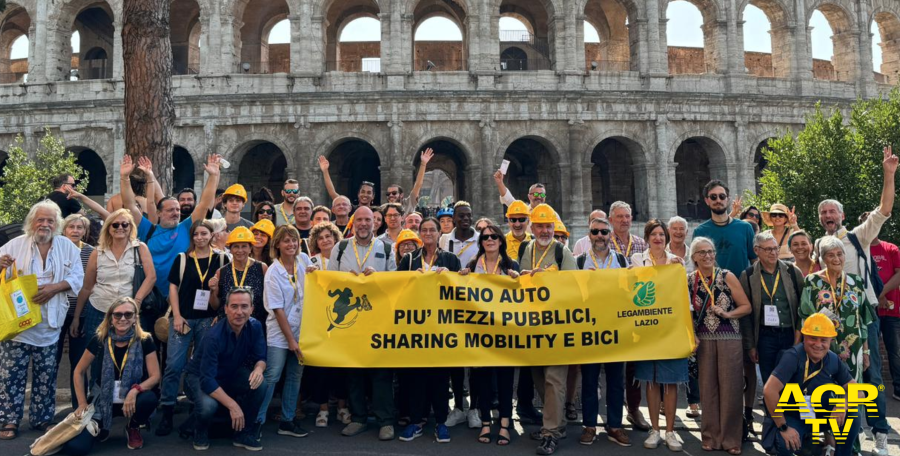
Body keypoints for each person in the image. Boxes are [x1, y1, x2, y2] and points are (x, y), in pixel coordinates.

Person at [0, 201, 84, 440]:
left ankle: (42, 419)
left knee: (46, 375)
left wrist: (55, 288)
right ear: (31, 222)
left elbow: (78, 276)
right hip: (18, 327)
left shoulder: (67, 247)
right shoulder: (15, 245)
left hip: (49, 325)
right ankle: (8, 419)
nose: (45, 224)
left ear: (56, 224)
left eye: (50, 221)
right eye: (40, 220)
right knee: (10, 376)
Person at [327, 206, 396, 440]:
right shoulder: (341, 247)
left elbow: (396, 284)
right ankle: (358, 418)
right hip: (351, 320)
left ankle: (385, 421)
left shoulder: (386, 249)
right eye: (360, 220)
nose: (364, 224)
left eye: (368, 220)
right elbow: (329, 282)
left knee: (381, 373)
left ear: (375, 223)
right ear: (353, 223)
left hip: (378, 320)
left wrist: (378, 278)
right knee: (354, 372)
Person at [156, 220, 229, 436]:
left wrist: (219, 316)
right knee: (173, 365)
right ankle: (167, 410)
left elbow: (225, 290)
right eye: (196, 234)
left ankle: (197, 405)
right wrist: (176, 315)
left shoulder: (222, 259)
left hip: (209, 320)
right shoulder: (182, 259)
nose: (200, 238)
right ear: (192, 237)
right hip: (184, 318)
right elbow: (173, 288)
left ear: (211, 235)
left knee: (202, 366)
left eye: (204, 233)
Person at [519, 204, 577, 455]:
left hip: (557, 326)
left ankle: (550, 432)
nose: (545, 230)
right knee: (539, 379)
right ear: (532, 228)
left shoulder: (563, 252)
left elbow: (573, 287)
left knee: (555, 379)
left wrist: (547, 278)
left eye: (548, 226)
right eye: (540, 225)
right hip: (532, 327)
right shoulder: (526, 248)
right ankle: (557, 423)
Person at [67, 297, 160, 454]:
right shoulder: (99, 339)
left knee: (149, 399)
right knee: (76, 448)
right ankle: (102, 426)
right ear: (110, 318)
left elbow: (155, 376)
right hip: (103, 398)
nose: (123, 318)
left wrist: (135, 390)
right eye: (117, 315)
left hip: (132, 400)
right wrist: (82, 404)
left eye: (128, 314)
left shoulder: (145, 340)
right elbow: (78, 371)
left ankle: (133, 426)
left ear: (135, 318)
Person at [397, 219, 461, 444]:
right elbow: (396, 287)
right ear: (419, 233)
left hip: (442, 329)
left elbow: (461, 290)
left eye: (432, 229)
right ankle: (416, 421)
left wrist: (450, 276)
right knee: (417, 377)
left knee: (440, 379)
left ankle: (441, 423)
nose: (428, 233)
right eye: (423, 230)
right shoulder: (409, 259)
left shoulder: (450, 259)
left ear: (439, 232)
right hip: (415, 328)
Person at [122, 155, 220, 299]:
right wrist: (124, 177)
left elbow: (204, 204)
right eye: (170, 210)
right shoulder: (147, 229)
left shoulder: (185, 228)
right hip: (150, 296)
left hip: (180, 296)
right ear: (159, 213)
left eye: (178, 210)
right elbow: (129, 204)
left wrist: (212, 175)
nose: (176, 213)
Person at [738, 232, 805, 445]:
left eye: (776, 248)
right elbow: (746, 316)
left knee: (792, 385)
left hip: (789, 335)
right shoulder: (748, 275)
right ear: (756, 251)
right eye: (768, 249)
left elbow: (802, 309)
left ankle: (795, 433)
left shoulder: (793, 272)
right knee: (769, 386)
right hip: (765, 337)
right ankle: (772, 438)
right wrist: (750, 345)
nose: (774, 253)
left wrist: (799, 339)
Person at [763, 314, 861, 456]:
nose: (818, 344)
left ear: (831, 341)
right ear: (804, 337)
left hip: (821, 416)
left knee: (853, 414)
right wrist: (784, 427)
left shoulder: (833, 359)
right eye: (813, 338)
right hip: (795, 416)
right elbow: (769, 391)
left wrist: (842, 404)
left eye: (823, 340)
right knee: (785, 444)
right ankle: (807, 445)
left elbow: (858, 390)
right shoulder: (792, 357)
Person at [688, 236, 752, 454]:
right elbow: (685, 312)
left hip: (729, 339)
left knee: (731, 389)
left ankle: (732, 439)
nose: (707, 256)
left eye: (710, 251)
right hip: (703, 341)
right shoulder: (689, 280)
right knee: (708, 390)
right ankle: (710, 437)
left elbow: (746, 306)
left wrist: (727, 313)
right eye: (702, 253)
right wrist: (691, 335)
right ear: (694, 257)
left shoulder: (726, 276)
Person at [182, 288, 267, 451]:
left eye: (244, 306)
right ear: (226, 309)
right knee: (208, 406)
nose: (239, 312)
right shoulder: (213, 336)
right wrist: (233, 406)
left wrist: (258, 369)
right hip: (198, 377)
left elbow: (261, 357)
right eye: (234, 306)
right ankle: (200, 430)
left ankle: (243, 434)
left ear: (252, 309)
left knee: (260, 384)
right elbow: (207, 380)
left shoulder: (255, 326)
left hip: (228, 374)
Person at [457, 224, 519, 446]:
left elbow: (522, 294)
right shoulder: (473, 265)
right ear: (481, 242)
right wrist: (462, 276)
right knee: (481, 381)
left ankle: (504, 423)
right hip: (480, 334)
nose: (490, 240)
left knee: (504, 380)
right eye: (485, 237)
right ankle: (485, 421)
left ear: (501, 241)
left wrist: (517, 278)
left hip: (504, 333)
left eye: (494, 236)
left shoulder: (511, 265)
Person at [630, 220, 687, 451]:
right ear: (647, 238)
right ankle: (655, 429)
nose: (658, 238)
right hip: (647, 328)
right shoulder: (637, 260)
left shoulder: (677, 262)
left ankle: (671, 431)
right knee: (651, 380)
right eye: (653, 234)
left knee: (670, 380)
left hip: (671, 327)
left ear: (667, 238)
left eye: (661, 235)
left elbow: (682, 297)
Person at [575, 217, 630, 447]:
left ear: (610, 235)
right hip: (589, 329)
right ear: (589, 235)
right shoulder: (578, 262)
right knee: (589, 380)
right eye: (595, 232)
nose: (600, 236)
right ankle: (589, 426)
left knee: (616, 381)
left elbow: (629, 291)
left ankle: (615, 426)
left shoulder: (620, 259)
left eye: (604, 232)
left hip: (615, 328)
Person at [72, 209, 156, 346]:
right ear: (108, 228)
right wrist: (76, 317)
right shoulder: (97, 252)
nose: (120, 228)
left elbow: (151, 277)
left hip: (128, 312)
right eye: (115, 225)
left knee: (129, 354)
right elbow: (87, 287)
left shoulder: (140, 248)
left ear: (131, 227)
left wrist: (138, 301)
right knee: (97, 354)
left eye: (125, 224)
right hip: (99, 310)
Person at [256, 225, 310, 438]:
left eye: (294, 240)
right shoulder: (273, 272)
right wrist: (290, 340)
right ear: (277, 244)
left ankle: (288, 420)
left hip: (303, 330)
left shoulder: (304, 260)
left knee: (295, 376)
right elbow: (277, 310)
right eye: (286, 241)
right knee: (273, 375)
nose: (291, 244)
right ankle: (257, 420)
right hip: (280, 333)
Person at [800, 236, 876, 383]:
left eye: (839, 254)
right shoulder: (811, 281)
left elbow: (862, 320)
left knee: (852, 390)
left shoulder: (856, 282)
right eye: (831, 255)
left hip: (853, 347)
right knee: (824, 388)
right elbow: (804, 317)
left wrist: (866, 351)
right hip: (821, 346)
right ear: (823, 258)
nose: (836, 259)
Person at [607, 201, 650, 431]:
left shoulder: (641, 244)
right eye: (620, 217)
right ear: (611, 219)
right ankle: (612, 412)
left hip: (634, 310)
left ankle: (634, 409)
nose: (624, 220)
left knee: (633, 365)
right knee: (613, 365)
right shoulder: (603, 242)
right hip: (610, 312)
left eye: (627, 216)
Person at [304, 221, 349, 427]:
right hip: (318, 322)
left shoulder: (345, 259)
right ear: (316, 241)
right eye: (320, 237)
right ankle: (322, 409)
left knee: (341, 368)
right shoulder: (311, 262)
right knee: (320, 369)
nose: (325, 240)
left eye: (328, 237)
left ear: (335, 239)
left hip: (342, 320)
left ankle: (342, 407)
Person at [59, 214, 95, 409]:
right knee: (51, 361)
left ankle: (78, 406)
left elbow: (90, 284)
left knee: (79, 361)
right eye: (71, 226)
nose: (75, 230)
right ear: (64, 230)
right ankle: (46, 410)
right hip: (57, 312)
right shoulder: (56, 250)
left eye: (79, 227)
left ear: (85, 231)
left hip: (81, 313)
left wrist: (77, 316)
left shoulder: (91, 252)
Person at [866, 214, 900, 401]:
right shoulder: (860, 250)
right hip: (869, 312)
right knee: (871, 352)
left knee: (894, 350)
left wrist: (879, 295)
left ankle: (898, 388)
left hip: (891, 310)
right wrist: (878, 298)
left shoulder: (890, 248)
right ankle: (874, 392)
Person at [692, 180, 757, 275]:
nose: (718, 200)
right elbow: (696, 265)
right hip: (711, 288)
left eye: (722, 196)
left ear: (728, 199)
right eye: (713, 197)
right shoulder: (700, 231)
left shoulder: (745, 228)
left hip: (742, 287)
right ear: (707, 201)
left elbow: (754, 260)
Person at [210, 227, 267, 325]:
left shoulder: (262, 268)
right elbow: (215, 306)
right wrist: (213, 291)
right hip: (229, 326)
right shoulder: (221, 272)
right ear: (230, 249)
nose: (240, 250)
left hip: (256, 326)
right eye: (236, 246)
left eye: (244, 246)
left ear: (250, 248)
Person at [386, 148, 434, 214]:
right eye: (388, 194)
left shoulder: (409, 203)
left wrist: (423, 163)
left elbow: (418, 185)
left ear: (401, 195)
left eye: (394, 193)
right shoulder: (384, 209)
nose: (391, 195)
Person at [439, 201, 479, 267]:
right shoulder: (444, 239)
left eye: (469, 215)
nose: (466, 218)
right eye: (461, 216)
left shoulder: (481, 238)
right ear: (453, 218)